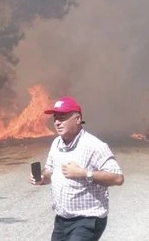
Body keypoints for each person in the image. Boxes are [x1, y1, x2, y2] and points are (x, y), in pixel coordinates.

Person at [29, 96, 124, 241]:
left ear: (78, 119)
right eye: (55, 118)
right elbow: (50, 170)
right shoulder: (56, 144)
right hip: (62, 220)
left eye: (62, 118)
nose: (57, 122)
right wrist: (42, 178)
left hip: (88, 219)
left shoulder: (94, 146)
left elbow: (117, 178)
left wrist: (84, 173)